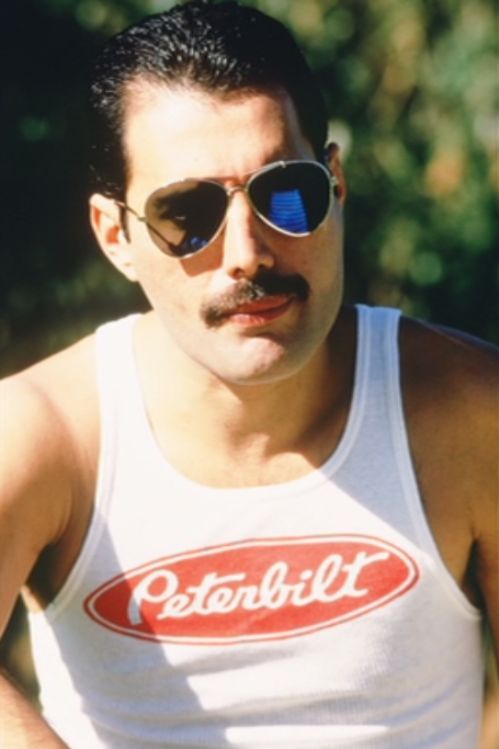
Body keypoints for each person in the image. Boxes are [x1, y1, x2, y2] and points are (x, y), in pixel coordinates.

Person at [0, 1, 497, 747]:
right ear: (116, 236)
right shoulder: (49, 434)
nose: (247, 253)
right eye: (187, 213)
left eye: (285, 194)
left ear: (335, 183)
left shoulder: (469, 412)